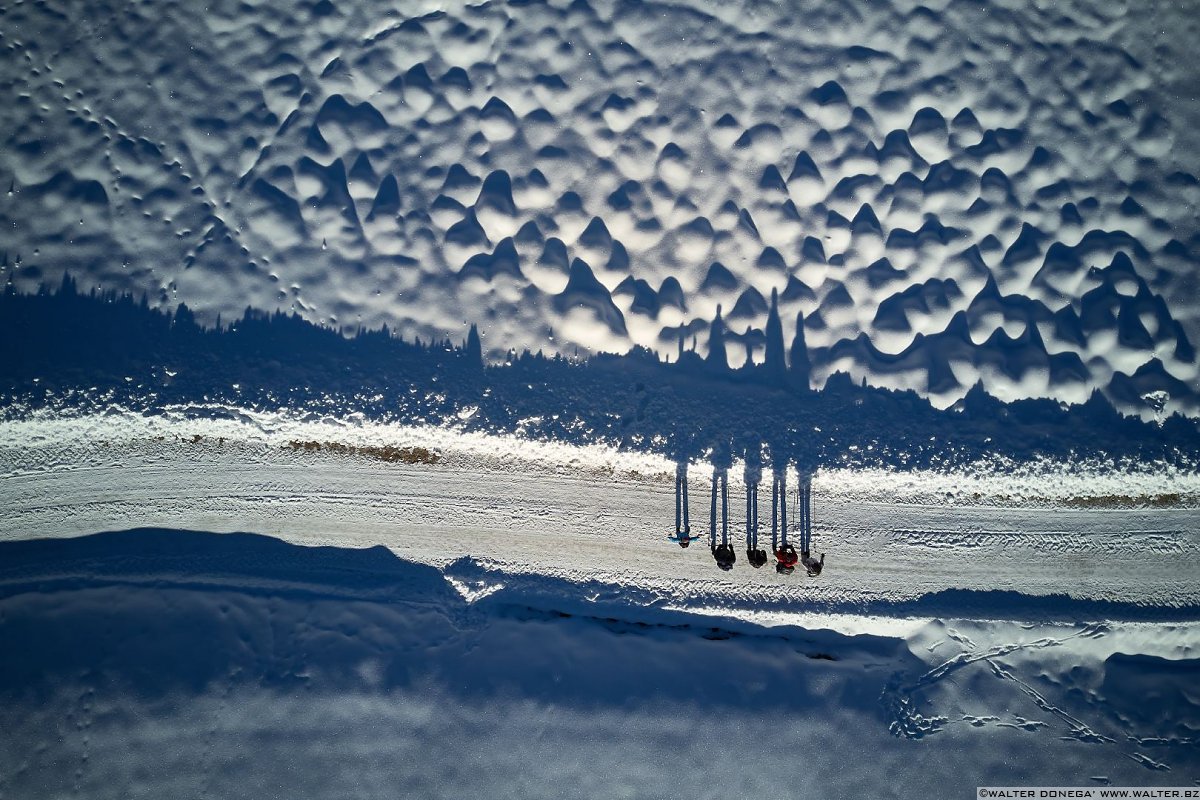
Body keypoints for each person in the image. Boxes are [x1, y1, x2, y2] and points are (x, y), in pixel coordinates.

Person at [668, 460, 701, 547]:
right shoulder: (688, 539)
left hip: (680, 529)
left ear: (681, 542)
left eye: (684, 541)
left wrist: (670, 537)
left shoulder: (678, 540)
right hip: (685, 530)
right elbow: (694, 539)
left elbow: (672, 540)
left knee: (679, 522)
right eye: (686, 541)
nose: (685, 540)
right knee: (685, 522)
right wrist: (697, 537)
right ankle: (682, 477)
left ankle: (680, 477)